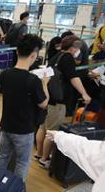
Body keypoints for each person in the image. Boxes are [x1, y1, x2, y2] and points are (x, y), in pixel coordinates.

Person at [0, 35, 49, 192]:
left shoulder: (4, 74)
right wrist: (45, 84)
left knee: (3, 156)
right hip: (24, 129)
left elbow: (3, 92)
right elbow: (43, 103)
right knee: (22, 162)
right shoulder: (33, 80)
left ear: (17, 51)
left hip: (6, 125)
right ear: (34, 55)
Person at [35, 35, 91, 169]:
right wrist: (84, 94)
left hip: (48, 97)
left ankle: (38, 153)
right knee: (52, 131)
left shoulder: (56, 56)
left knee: (43, 127)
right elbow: (74, 78)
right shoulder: (67, 58)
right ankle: (44, 159)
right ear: (72, 48)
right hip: (59, 101)